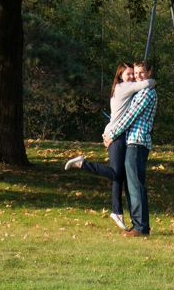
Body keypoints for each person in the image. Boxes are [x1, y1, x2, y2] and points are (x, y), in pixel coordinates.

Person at [64, 63, 153, 230]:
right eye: (130, 74)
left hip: (118, 133)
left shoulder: (123, 88)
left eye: (134, 73)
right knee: (116, 173)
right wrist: (151, 78)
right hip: (117, 134)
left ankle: (117, 211)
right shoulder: (124, 87)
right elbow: (146, 85)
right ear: (120, 76)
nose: (133, 77)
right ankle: (83, 164)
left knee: (119, 175)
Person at [103, 60, 158, 237]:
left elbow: (130, 116)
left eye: (141, 73)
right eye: (135, 73)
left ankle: (141, 228)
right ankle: (138, 225)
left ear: (149, 72)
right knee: (132, 185)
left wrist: (112, 134)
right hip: (131, 142)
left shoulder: (146, 93)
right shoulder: (140, 90)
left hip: (137, 141)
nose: (137, 76)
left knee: (135, 186)